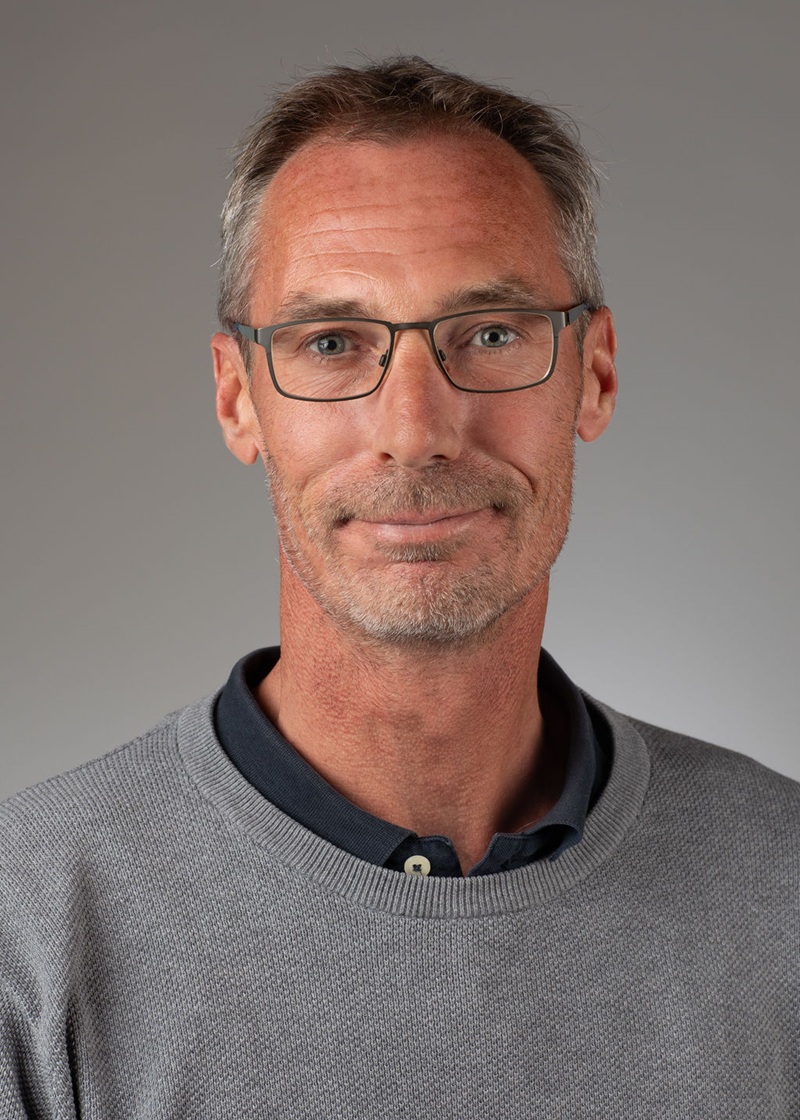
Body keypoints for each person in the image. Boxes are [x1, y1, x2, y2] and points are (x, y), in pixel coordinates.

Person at [1, 56, 797, 1118]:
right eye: (331, 342)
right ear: (238, 400)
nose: (414, 429)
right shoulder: (30, 928)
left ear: (593, 374)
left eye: (491, 333)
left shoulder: (779, 886)